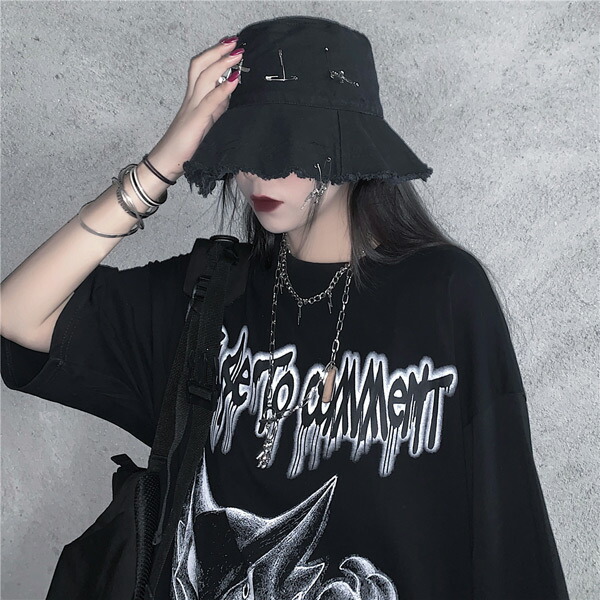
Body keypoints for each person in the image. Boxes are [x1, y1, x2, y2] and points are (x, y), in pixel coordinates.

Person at [0, 15, 570, 600]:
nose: (257, 171)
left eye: (287, 142)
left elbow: (510, 532)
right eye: (245, 141)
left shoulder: (444, 293)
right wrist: (162, 163)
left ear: (347, 144)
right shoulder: (208, 295)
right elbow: (18, 314)